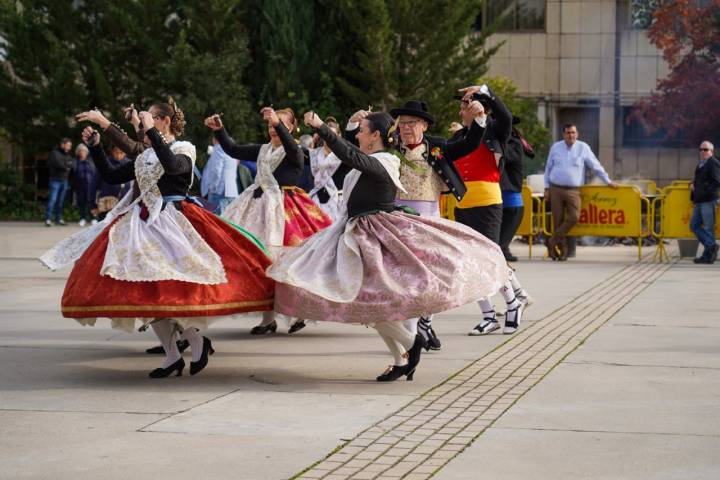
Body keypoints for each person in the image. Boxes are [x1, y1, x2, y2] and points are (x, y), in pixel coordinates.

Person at [40, 99, 275, 378]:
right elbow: (112, 175)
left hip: (175, 223)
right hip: (142, 226)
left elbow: (174, 167)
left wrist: (148, 132)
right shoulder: (144, 156)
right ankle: (173, 355)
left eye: (150, 117)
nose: (143, 121)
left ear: (164, 121)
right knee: (146, 291)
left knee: (174, 290)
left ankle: (195, 339)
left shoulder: (183, 148)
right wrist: (96, 147)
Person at [267, 110, 507, 381]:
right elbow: (351, 152)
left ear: (375, 136)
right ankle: (402, 358)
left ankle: (411, 344)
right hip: (356, 233)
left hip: (374, 238)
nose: (357, 135)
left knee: (369, 304)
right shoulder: (371, 158)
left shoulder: (385, 161)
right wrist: (347, 127)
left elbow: (350, 155)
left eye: (362, 131)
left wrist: (322, 127)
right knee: (373, 306)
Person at [345, 100, 478, 351]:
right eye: (402, 123)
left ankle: (422, 323)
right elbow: (358, 145)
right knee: (404, 278)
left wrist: (479, 119)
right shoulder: (391, 149)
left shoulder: (436, 147)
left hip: (428, 217)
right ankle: (413, 333)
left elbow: (468, 144)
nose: (405, 128)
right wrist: (354, 122)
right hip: (395, 219)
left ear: (424, 125)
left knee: (430, 274)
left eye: (411, 123)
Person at [205, 107, 332, 335]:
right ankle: (268, 318)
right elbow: (234, 149)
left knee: (286, 262)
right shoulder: (263, 149)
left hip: (285, 211)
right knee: (258, 261)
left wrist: (278, 124)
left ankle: (296, 313)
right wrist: (220, 130)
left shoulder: (296, 151)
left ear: (291, 127)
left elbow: (291, 148)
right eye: (271, 125)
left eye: (279, 125)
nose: (273, 129)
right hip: (256, 206)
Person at [445, 85, 532, 336]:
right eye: (461, 105)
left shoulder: (495, 130)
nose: (461, 109)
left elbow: (505, 116)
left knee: (490, 258)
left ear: (478, 107)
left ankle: (513, 303)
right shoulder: (458, 137)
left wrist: (487, 91)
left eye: (465, 104)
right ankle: (488, 315)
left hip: (488, 203)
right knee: (470, 262)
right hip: (462, 204)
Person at [544, 123, 618, 260]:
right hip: (556, 188)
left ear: (577, 134)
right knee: (558, 221)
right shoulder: (556, 147)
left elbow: (596, 166)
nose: (570, 135)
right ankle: (561, 253)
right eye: (567, 133)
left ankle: (552, 241)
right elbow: (548, 168)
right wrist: (546, 187)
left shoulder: (583, 148)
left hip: (573, 190)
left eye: (573, 132)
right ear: (563, 134)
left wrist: (608, 181)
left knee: (574, 217)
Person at [498, 117, 535, 262]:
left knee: (502, 240)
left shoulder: (512, 143)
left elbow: (503, 156)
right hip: (502, 199)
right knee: (499, 241)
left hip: (511, 201)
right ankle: (503, 250)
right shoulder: (504, 142)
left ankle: (503, 250)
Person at [308, 116, 351, 222]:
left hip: (339, 205)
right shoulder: (313, 155)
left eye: (333, 135)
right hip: (316, 204)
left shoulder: (345, 156)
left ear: (338, 136)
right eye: (327, 134)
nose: (330, 138)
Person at [690, 141, 720, 264]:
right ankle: (711, 245)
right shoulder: (701, 164)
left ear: (711, 151)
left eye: (705, 149)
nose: (702, 152)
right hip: (699, 200)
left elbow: (717, 181)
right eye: (701, 149)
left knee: (708, 228)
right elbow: (698, 180)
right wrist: (691, 184)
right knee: (694, 225)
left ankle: (708, 254)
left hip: (708, 200)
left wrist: (704, 190)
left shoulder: (713, 163)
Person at [201, 137, 239, 214]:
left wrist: (212, 188)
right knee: (228, 222)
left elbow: (216, 170)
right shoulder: (230, 150)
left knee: (215, 222)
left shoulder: (218, 148)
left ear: (214, 139)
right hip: (232, 192)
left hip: (219, 192)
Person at [95, 144, 132, 221]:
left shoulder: (130, 164)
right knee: (103, 228)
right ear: (111, 151)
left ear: (125, 152)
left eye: (121, 152)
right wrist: (92, 204)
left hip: (124, 204)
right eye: (116, 152)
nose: (118, 155)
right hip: (106, 203)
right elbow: (94, 183)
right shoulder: (105, 163)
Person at [45, 137, 73, 226]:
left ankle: (58, 219)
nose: (69, 147)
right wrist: (66, 166)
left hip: (64, 180)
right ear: (62, 144)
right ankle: (48, 219)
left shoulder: (68, 154)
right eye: (68, 145)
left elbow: (71, 164)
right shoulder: (54, 153)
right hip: (55, 180)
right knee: (53, 200)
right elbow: (59, 164)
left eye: (70, 146)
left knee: (60, 201)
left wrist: (67, 165)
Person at [71, 144, 98, 227]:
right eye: (80, 151)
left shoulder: (91, 161)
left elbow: (95, 173)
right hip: (79, 185)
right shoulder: (75, 162)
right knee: (81, 203)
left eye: (84, 151)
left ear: (87, 152)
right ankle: (82, 218)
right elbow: (72, 174)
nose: (82, 152)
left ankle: (93, 218)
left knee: (92, 202)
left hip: (90, 185)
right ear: (77, 152)